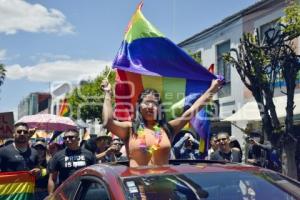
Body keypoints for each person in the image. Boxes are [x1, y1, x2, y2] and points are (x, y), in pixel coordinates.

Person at [101, 79, 222, 167]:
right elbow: (108, 122)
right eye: (147, 102)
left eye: (154, 103)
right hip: (138, 191)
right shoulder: (130, 128)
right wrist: (108, 94)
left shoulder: (167, 129)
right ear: (138, 106)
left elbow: (191, 111)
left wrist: (212, 89)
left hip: (165, 191)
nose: (150, 106)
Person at [47, 129, 96, 195]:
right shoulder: (58, 156)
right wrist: (51, 194)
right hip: (65, 194)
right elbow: (52, 178)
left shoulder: (89, 155)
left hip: (84, 193)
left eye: (70, 137)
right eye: (65, 138)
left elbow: (94, 176)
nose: (67, 139)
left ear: (78, 139)